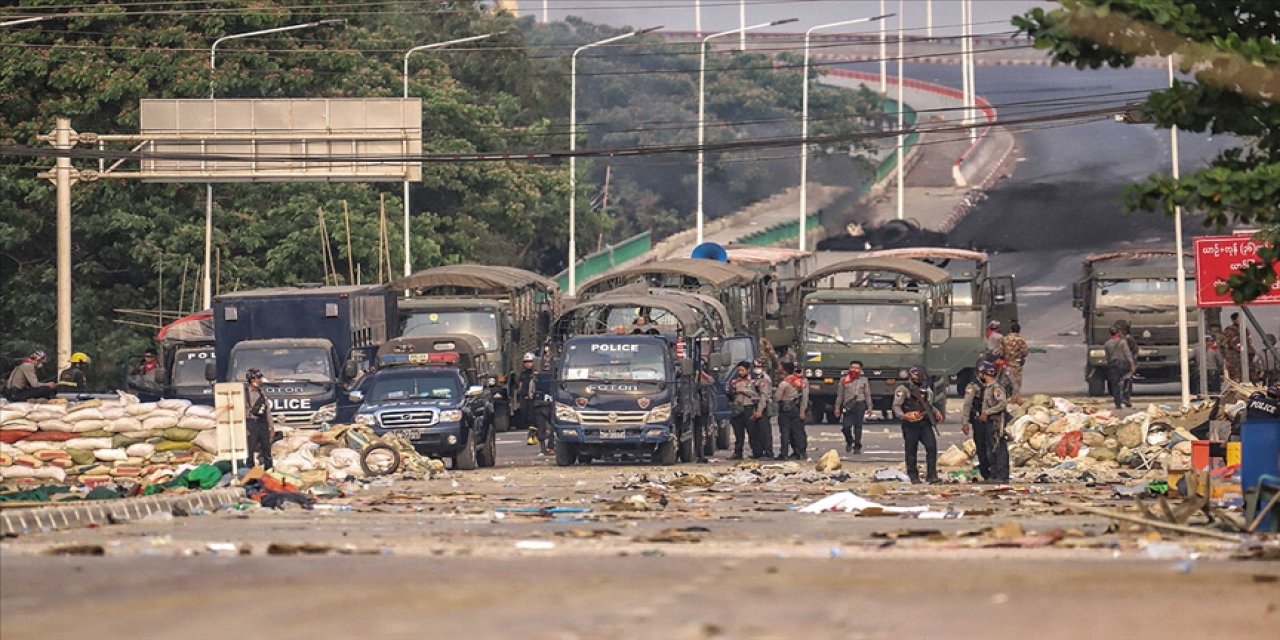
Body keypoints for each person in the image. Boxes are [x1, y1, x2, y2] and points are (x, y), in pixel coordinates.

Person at [892, 365, 942, 483]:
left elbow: (928, 404)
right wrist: (905, 416)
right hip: (910, 424)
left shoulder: (927, 388)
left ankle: (932, 475)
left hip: (925, 422)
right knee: (911, 450)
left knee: (931, 447)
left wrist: (936, 412)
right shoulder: (903, 389)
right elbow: (896, 406)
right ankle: (913, 475)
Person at [961, 360, 1010, 483]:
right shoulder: (975, 386)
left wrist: (987, 412)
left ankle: (1001, 475)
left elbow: (1002, 403)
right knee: (986, 448)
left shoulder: (995, 388)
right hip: (981, 422)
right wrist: (965, 422)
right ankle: (991, 474)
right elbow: (967, 404)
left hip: (995, 422)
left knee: (997, 447)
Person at [725, 361, 765, 460]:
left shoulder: (754, 382)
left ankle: (757, 452)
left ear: (748, 370)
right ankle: (737, 452)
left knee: (752, 433)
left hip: (749, 408)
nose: (740, 372)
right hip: (737, 409)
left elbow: (758, 395)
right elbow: (729, 394)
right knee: (738, 434)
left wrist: (744, 391)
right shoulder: (734, 382)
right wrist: (730, 391)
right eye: (739, 370)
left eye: (742, 370)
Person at [773, 362, 810, 461]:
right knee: (798, 432)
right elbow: (804, 398)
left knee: (785, 433)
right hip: (796, 409)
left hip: (785, 410)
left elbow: (777, 398)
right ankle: (800, 452)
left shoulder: (784, 383)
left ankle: (784, 453)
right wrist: (802, 411)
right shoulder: (802, 382)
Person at [834, 360, 871, 454]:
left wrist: (870, 407)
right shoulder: (844, 380)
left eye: (857, 368)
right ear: (849, 368)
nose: (854, 370)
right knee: (845, 426)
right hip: (848, 405)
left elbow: (867, 394)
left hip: (860, 404)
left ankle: (857, 446)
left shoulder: (864, 380)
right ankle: (849, 441)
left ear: (860, 370)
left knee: (858, 426)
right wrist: (837, 407)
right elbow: (840, 395)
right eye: (852, 368)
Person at [244, 369, 275, 470]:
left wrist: (271, 426)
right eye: (258, 378)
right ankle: (249, 469)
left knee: (266, 447)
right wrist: (245, 428)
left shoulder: (261, 392)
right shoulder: (244, 393)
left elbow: (267, 410)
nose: (260, 380)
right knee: (250, 448)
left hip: (262, 422)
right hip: (251, 423)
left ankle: (269, 468)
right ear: (252, 379)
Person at [1104, 325, 1136, 409]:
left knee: (1115, 385)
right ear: (1118, 333)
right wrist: (1132, 365)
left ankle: (1117, 403)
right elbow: (1127, 354)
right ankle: (1126, 398)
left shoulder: (1107, 344)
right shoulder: (1123, 342)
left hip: (1112, 366)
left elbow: (1107, 357)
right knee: (1127, 381)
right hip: (1123, 366)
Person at [749, 359, 775, 459]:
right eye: (755, 367)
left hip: (763, 407)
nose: (757, 369)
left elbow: (764, 396)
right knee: (756, 431)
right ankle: (758, 452)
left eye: (759, 367)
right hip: (756, 405)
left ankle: (768, 452)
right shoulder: (756, 378)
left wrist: (759, 411)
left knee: (764, 431)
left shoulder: (765, 379)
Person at [1000, 322, 1029, 399]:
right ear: (1019, 330)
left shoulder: (1004, 339)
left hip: (1006, 364)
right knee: (1016, 384)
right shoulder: (1021, 340)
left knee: (1003, 383)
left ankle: (1001, 399)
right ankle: (1015, 399)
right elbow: (1025, 353)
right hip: (1016, 366)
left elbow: (1000, 351)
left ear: (1011, 330)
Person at [516, 352, 539, 446]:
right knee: (525, 416)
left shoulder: (536, 374)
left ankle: (532, 435)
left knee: (532, 416)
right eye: (526, 362)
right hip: (524, 397)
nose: (528, 364)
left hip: (533, 398)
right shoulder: (523, 374)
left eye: (530, 362)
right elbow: (520, 385)